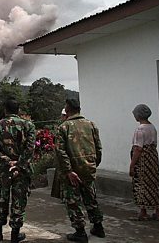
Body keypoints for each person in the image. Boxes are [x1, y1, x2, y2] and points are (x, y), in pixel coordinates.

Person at [55, 99, 105, 242]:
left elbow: (60, 151)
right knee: (91, 199)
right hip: (88, 168)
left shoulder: (63, 127)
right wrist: (93, 164)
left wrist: (68, 170)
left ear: (68, 109)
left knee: (73, 201)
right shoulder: (91, 125)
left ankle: (80, 232)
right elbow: (98, 148)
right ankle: (98, 227)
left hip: (73, 172)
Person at [0, 98, 36, 243]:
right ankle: (15, 234)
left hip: (4, 170)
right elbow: (30, 148)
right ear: (18, 110)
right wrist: (19, 163)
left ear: (5, 110)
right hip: (21, 170)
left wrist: (7, 161)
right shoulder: (28, 125)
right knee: (19, 200)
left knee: (2, 198)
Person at [130, 104, 159, 220]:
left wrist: (132, 165)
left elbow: (138, 149)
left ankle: (143, 212)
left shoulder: (140, 129)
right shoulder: (152, 127)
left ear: (138, 115)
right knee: (153, 183)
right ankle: (158, 212)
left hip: (143, 159)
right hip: (152, 158)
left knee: (141, 184)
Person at [51, 108, 68, 200]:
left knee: (63, 180)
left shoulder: (62, 128)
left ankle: (65, 197)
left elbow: (59, 148)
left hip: (64, 160)